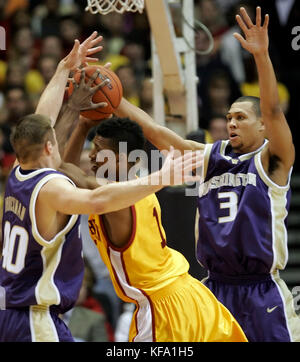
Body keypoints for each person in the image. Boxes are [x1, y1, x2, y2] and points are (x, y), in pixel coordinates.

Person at [114, 7, 300, 342]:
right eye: (229, 117)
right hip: (213, 286)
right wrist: (117, 102)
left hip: (260, 291)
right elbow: (159, 134)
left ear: (262, 126)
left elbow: (272, 109)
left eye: (241, 117)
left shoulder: (273, 160)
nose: (231, 123)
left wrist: (261, 56)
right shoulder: (210, 156)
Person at [0, 31, 200, 342]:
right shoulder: (55, 186)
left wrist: (63, 70)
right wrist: (163, 177)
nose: (90, 157)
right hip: (35, 318)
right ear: (49, 146)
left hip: (16, 311)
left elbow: (45, 121)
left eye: (98, 152)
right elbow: (95, 198)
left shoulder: (18, 173)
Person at [63, 115, 247, 342]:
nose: (90, 155)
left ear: (119, 159)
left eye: (98, 149)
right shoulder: (142, 186)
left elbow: (62, 172)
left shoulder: (112, 197)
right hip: (190, 295)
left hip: (161, 308)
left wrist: (81, 125)